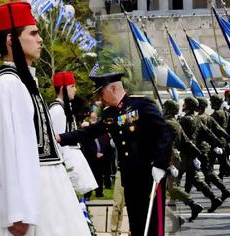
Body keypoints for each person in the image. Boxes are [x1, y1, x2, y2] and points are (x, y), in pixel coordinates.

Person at [0, 2, 91, 235]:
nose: (40, 40)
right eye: (33, 33)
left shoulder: (21, 82)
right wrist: (17, 212)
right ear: (11, 40)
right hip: (29, 196)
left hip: (44, 188)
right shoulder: (8, 84)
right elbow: (9, 148)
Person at [57, 72, 172, 236]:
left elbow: (164, 133)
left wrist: (160, 164)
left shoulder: (142, 105)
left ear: (113, 88)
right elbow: (89, 132)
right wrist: (60, 138)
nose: (100, 97)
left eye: (101, 92)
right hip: (130, 177)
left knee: (152, 224)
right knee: (136, 223)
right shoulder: (109, 113)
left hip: (150, 174)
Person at [49, 71, 98, 195]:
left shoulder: (63, 108)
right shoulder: (57, 110)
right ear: (63, 88)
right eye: (72, 86)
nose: (75, 90)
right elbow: (58, 142)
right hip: (66, 163)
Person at [163, 100, 203, 222]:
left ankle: (193, 205)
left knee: (171, 188)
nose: (162, 110)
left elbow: (166, 143)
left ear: (168, 110)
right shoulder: (175, 123)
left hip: (168, 158)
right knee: (168, 190)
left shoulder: (168, 124)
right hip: (173, 157)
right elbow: (186, 142)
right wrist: (196, 155)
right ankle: (178, 215)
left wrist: (170, 164)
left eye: (164, 108)